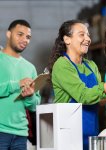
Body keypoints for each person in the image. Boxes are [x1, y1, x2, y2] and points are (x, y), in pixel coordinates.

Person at [48, 20, 106, 150]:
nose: (87, 39)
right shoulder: (62, 65)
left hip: (91, 133)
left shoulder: (91, 65)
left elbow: (100, 100)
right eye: (81, 34)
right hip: (68, 137)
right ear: (67, 39)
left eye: (88, 35)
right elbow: (84, 96)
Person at [0, 19, 41, 150]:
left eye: (28, 37)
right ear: (8, 34)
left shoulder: (30, 68)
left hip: (20, 134)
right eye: (20, 34)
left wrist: (30, 97)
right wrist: (16, 84)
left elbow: (35, 106)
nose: (25, 39)